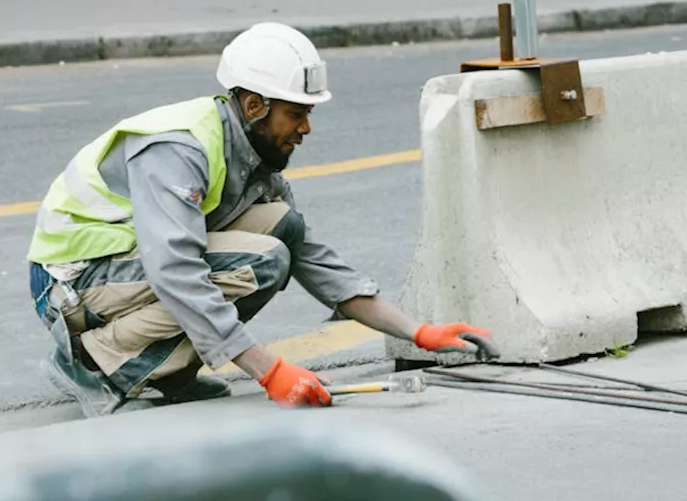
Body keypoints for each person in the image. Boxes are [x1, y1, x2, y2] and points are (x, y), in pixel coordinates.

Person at [26, 22, 492, 416]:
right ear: (254, 106)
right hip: (72, 284)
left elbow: (315, 260)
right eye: (296, 114)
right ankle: (93, 363)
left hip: (121, 272)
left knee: (281, 227)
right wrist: (268, 370)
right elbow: (177, 271)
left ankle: (167, 373)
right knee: (262, 261)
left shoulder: (252, 157)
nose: (306, 129)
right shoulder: (179, 149)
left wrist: (418, 331)